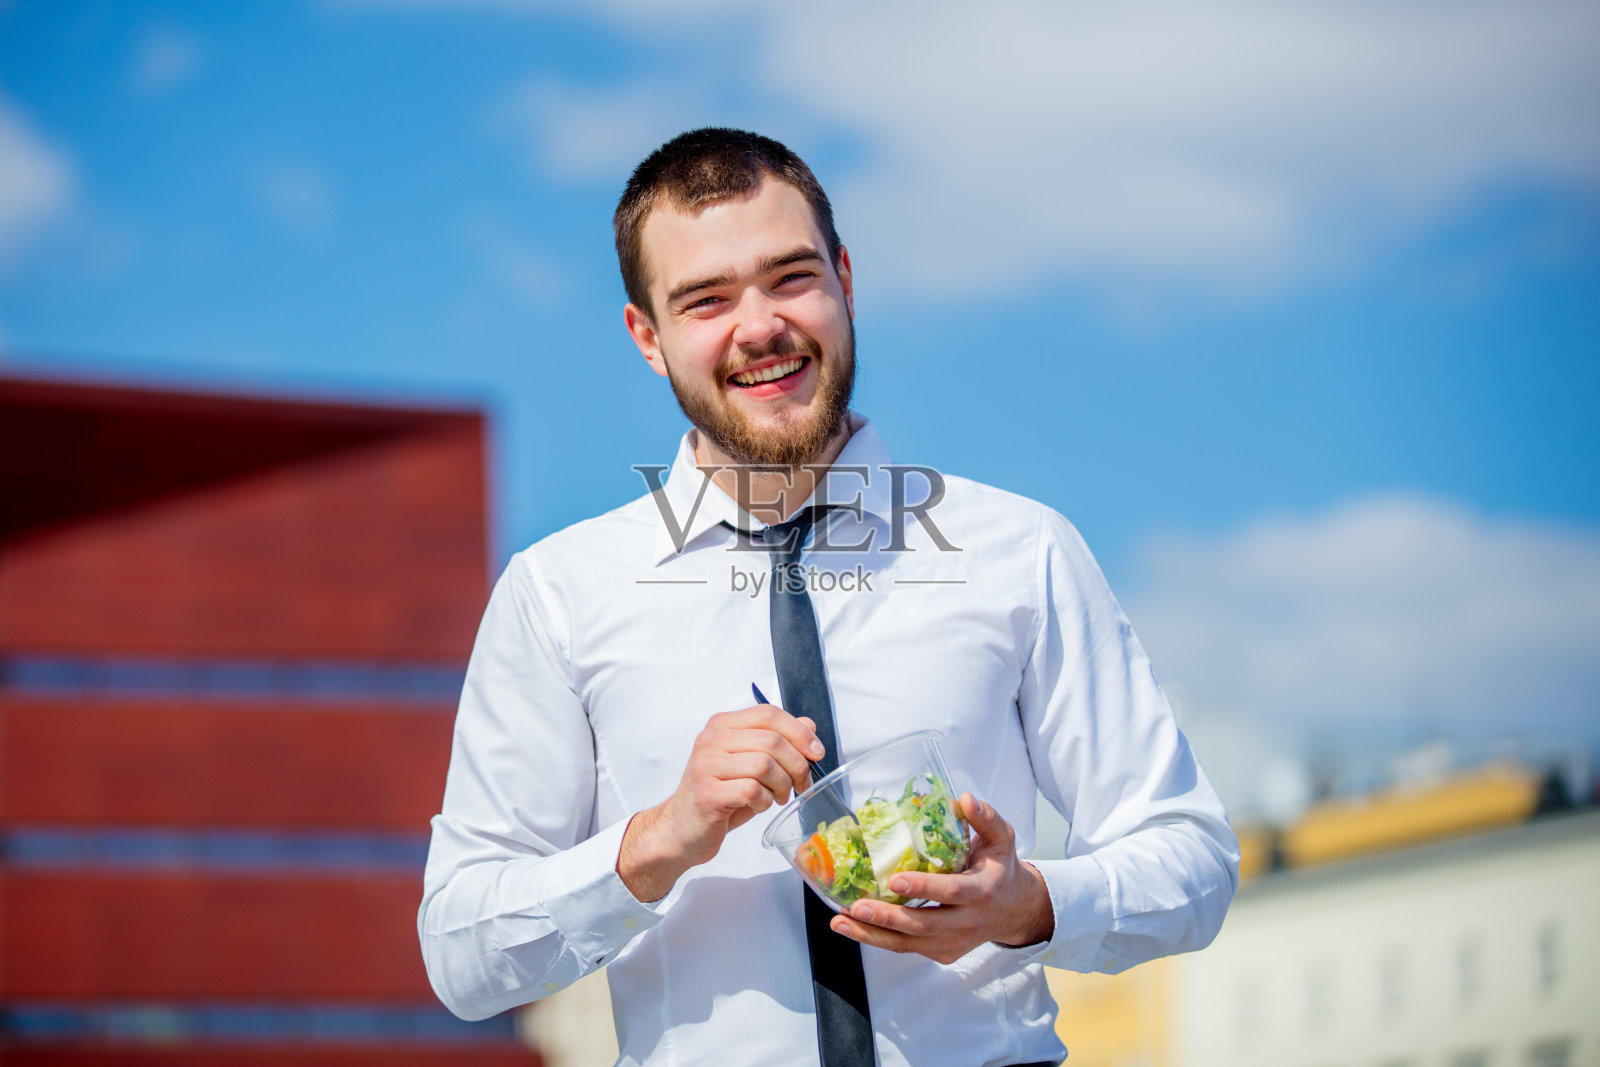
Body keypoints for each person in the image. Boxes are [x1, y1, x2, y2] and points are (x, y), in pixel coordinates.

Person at [419, 128, 1238, 1067]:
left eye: (792, 276)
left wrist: (1029, 905)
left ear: (846, 279)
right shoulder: (557, 595)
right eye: (706, 299)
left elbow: (1194, 858)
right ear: (647, 336)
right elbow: (461, 951)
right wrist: (659, 839)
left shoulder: (1020, 551)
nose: (760, 325)